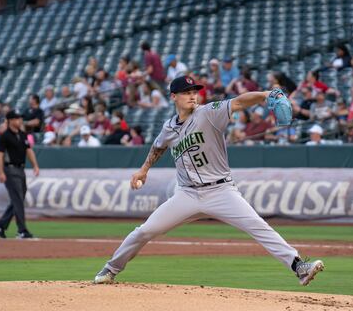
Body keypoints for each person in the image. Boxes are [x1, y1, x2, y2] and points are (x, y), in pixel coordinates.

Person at [93, 76, 325, 285]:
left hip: (221, 191)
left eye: (194, 91)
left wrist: (265, 95)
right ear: (173, 97)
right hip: (186, 194)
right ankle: (111, 269)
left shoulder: (208, 113)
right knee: (145, 231)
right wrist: (143, 170)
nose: (192, 95)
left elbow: (238, 102)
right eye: (186, 92)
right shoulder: (169, 127)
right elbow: (158, 147)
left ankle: (298, 266)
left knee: (258, 226)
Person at [0, 110, 40, 240]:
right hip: (10, 169)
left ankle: (0, 224)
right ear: (10, 120)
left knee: (19, 198)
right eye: (17, 118)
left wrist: (35, 165)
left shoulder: (23, 135)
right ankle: (22, 230)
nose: (20, 121)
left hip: (21, 169)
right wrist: (0, 172)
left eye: (20, 118)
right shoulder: (4, 136)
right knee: (18, 199)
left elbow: (29, 150)